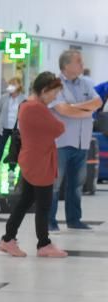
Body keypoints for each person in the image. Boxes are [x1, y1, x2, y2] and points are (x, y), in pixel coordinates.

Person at [0, 73, 67, 259]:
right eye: (54, 93)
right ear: (44, 90)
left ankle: (8, 238)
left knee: (25, 201)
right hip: (40, 163)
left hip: (32, 160)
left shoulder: (27, 105)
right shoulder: (36, 108)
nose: (55, 97)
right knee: (43, 205)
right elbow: (59, 128)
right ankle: (43, 244)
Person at [48, 50, 103, 231]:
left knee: (77, 185)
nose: (82, 64)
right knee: (55, 185)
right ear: (66, 65)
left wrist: (74, 107)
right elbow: (63, 110)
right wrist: (84, 110)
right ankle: (50, 221)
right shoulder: (54, 84)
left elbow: (98, 103)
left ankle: (74, 220)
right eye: (78, 61)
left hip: (82, 141)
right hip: (61, 142)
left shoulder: (86, 83)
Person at [0, 76, 27, 176]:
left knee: (14, 150)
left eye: (14, 84)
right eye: (10, 84)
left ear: (19, 85)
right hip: (3, 128)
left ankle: (12, 169)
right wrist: (0, 122)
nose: (11, 86)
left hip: (17, 129)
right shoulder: (3, 97)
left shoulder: (24, 99)